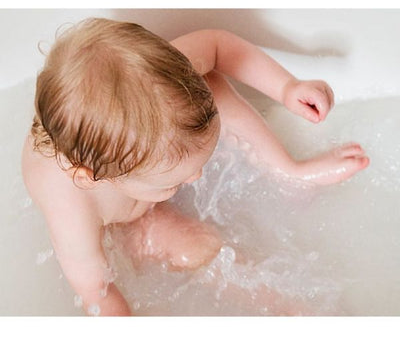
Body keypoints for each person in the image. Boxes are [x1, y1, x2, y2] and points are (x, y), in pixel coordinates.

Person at [21, 18, 369, 316]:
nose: (197, 177)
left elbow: (218, 45)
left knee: (207, 84)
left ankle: (289, 171)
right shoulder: (71, 208)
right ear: (94, 177)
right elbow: (97, 294)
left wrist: (287, 87)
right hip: (125, 223)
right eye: (171, 183)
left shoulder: (155, 86)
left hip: (140, 167)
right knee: (195, 247)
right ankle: (293, 311)